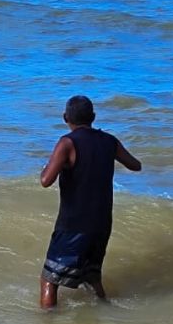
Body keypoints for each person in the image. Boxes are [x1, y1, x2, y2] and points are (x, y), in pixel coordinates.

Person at [38, 95, 142, 309]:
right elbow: (135, 165)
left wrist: (46, 168)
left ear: (65, 117)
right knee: (91, 276)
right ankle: (103, 310)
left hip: (74, 223)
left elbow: (46, 181)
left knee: (49, 279)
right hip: (102, 223)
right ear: (93, 117)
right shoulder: (109, 141)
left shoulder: (67, 143)